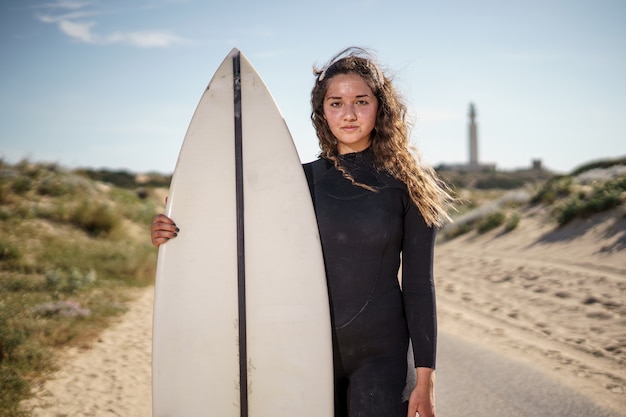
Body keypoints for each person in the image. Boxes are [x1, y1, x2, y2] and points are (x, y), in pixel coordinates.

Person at [151, 47, 452, 417]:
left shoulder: (409, 186)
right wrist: (176, 229)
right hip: (302, 355)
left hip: (382, 358)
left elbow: (420, 286)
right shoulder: (297, 182)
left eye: (361, 101)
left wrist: (426, 379)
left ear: (380, 107)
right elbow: (232, 232)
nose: (349, 114)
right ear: (322, 112)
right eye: (336, 103)